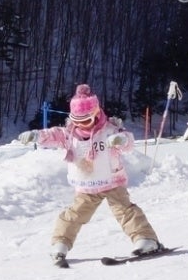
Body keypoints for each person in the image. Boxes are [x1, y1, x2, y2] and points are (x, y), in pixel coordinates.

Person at [35, 84, 164, 267]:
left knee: (125, 211)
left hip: (112, 181)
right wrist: (37, 136)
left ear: (95, 114)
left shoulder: (109, 129)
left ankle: (145, 239)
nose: (81, 125)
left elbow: (128, 142)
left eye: (86, 120)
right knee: (74, 215)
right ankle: (60, 243)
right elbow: (53, 135)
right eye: (77, 120)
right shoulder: (69, 134)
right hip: (86, 185)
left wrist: (121, 140)